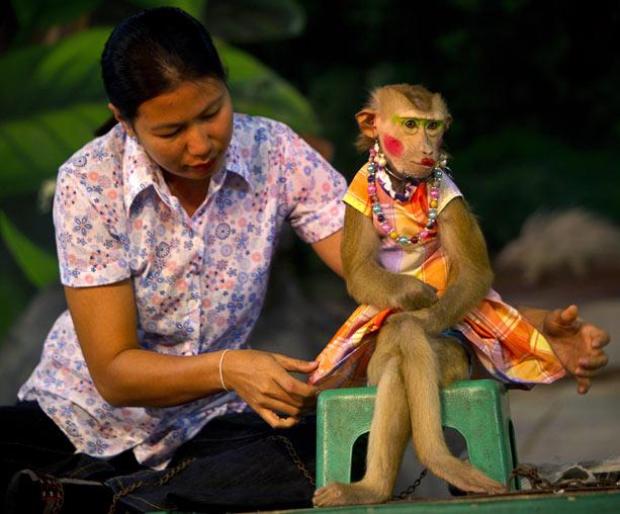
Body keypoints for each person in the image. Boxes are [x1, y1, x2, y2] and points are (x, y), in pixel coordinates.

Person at [0, 7, 609, 514]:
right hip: (76, 419)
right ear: (123, 122)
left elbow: (397, 275)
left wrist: (528, 329)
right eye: (171, 130)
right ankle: (116, 495)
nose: (200, 142)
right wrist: (230, 367)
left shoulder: (275, 152)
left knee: (319, 457)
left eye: (211, 112)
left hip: (213, 430)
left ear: (226, 86)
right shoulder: (87, 184)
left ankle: (99, 502)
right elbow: (113, 372)